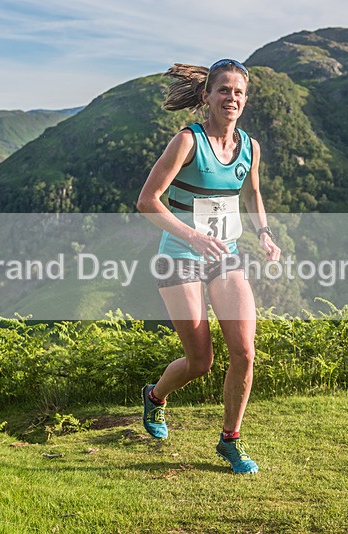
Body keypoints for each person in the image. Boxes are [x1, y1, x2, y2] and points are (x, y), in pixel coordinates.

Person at [136, 59, 280, 474]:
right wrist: (192, 235)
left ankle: (230, 440)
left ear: (245, 99)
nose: (231, 98)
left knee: (245, 353)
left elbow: (252, 193)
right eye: (223, 90)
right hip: (178, 258)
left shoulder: (249, 147)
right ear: (207, 96)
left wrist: (265, 233)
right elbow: (147, 201)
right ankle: (155, 396)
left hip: (226, 257)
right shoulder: (187, 142)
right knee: (200, 362)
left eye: (238, 92)